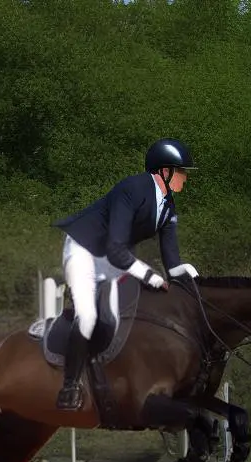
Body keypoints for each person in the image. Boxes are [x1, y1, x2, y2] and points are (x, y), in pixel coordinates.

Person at [51, 138, 200, 411]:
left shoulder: (168, 208)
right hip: (84, 250)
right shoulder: (132, 189)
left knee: (116, 322)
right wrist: (149, 276)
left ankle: (104, 379)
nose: (185, 179)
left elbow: (173, 262)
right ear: (164, 172)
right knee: (88, 316)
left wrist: (193, 280)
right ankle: (69, 386)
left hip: (111, 259)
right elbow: (117, 249)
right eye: (182, 172)